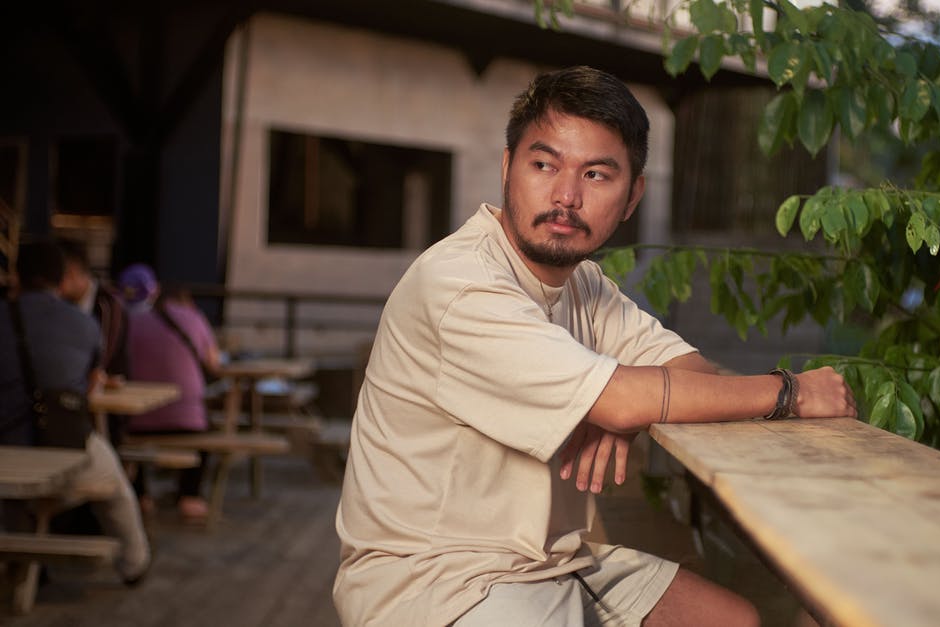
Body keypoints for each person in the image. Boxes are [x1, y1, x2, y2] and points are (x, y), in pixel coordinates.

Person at [333, 66, 857, 626]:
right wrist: (791, 391)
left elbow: (690, 372)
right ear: (507, 168)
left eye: (597, 175)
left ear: (633, 197)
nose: (566, 196)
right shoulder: (461, 284)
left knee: (730, 620)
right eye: (544, 165)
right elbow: (628, 397)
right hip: (434, 583)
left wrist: (622, 407)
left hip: (547, 562)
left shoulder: (584, 284)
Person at [0, 239, 152, 585]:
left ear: (16, 276)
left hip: (6, 444)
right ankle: (134, 563)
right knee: (115, 486)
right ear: (61, 278)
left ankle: (25, 567)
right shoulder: (83, 324)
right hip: (64, 445)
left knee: (16, 493)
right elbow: (88, 385)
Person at [120, 263, 220, 522]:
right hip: (188, 422)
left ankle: (140, 495)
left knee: (123, 434)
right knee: (206, 425)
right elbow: (214, 363)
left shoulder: (128, 321)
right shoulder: (192, 317)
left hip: (136, 421)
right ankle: (190, 496)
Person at [58, 238, 131, 442]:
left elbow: (103, 358)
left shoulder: (107, 304)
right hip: (72, 400)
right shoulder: (60, 304)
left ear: (73, 271)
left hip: (109, 408)